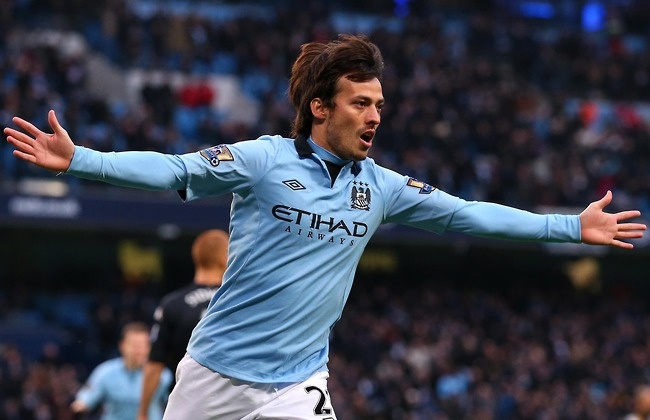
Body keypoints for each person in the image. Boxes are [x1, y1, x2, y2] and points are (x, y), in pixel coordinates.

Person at [5, 34, 646, 419]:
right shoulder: (262, 161)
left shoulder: (381, 187)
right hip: (213, 373)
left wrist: (569, 227)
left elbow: (467, 214)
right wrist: (81, 160)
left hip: (298, 383)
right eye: (360, 103)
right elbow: (174, 169)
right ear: (320, 107)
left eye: (379, 105)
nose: (375, 117)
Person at [137, 229, 229, 420]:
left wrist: (143, 412)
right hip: (233, 402)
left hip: (185, 404)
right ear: (224, 259)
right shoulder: (241, 302)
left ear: (196, 258)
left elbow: (154, 364)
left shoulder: (172, 304)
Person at [70, 321, 172, 420]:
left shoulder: (162, 374)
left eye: (143, 345)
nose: (139, 350)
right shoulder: (105, 372)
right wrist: (77, 407)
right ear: (122, 345)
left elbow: (173, 405)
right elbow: (84, 401)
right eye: (134, 345)